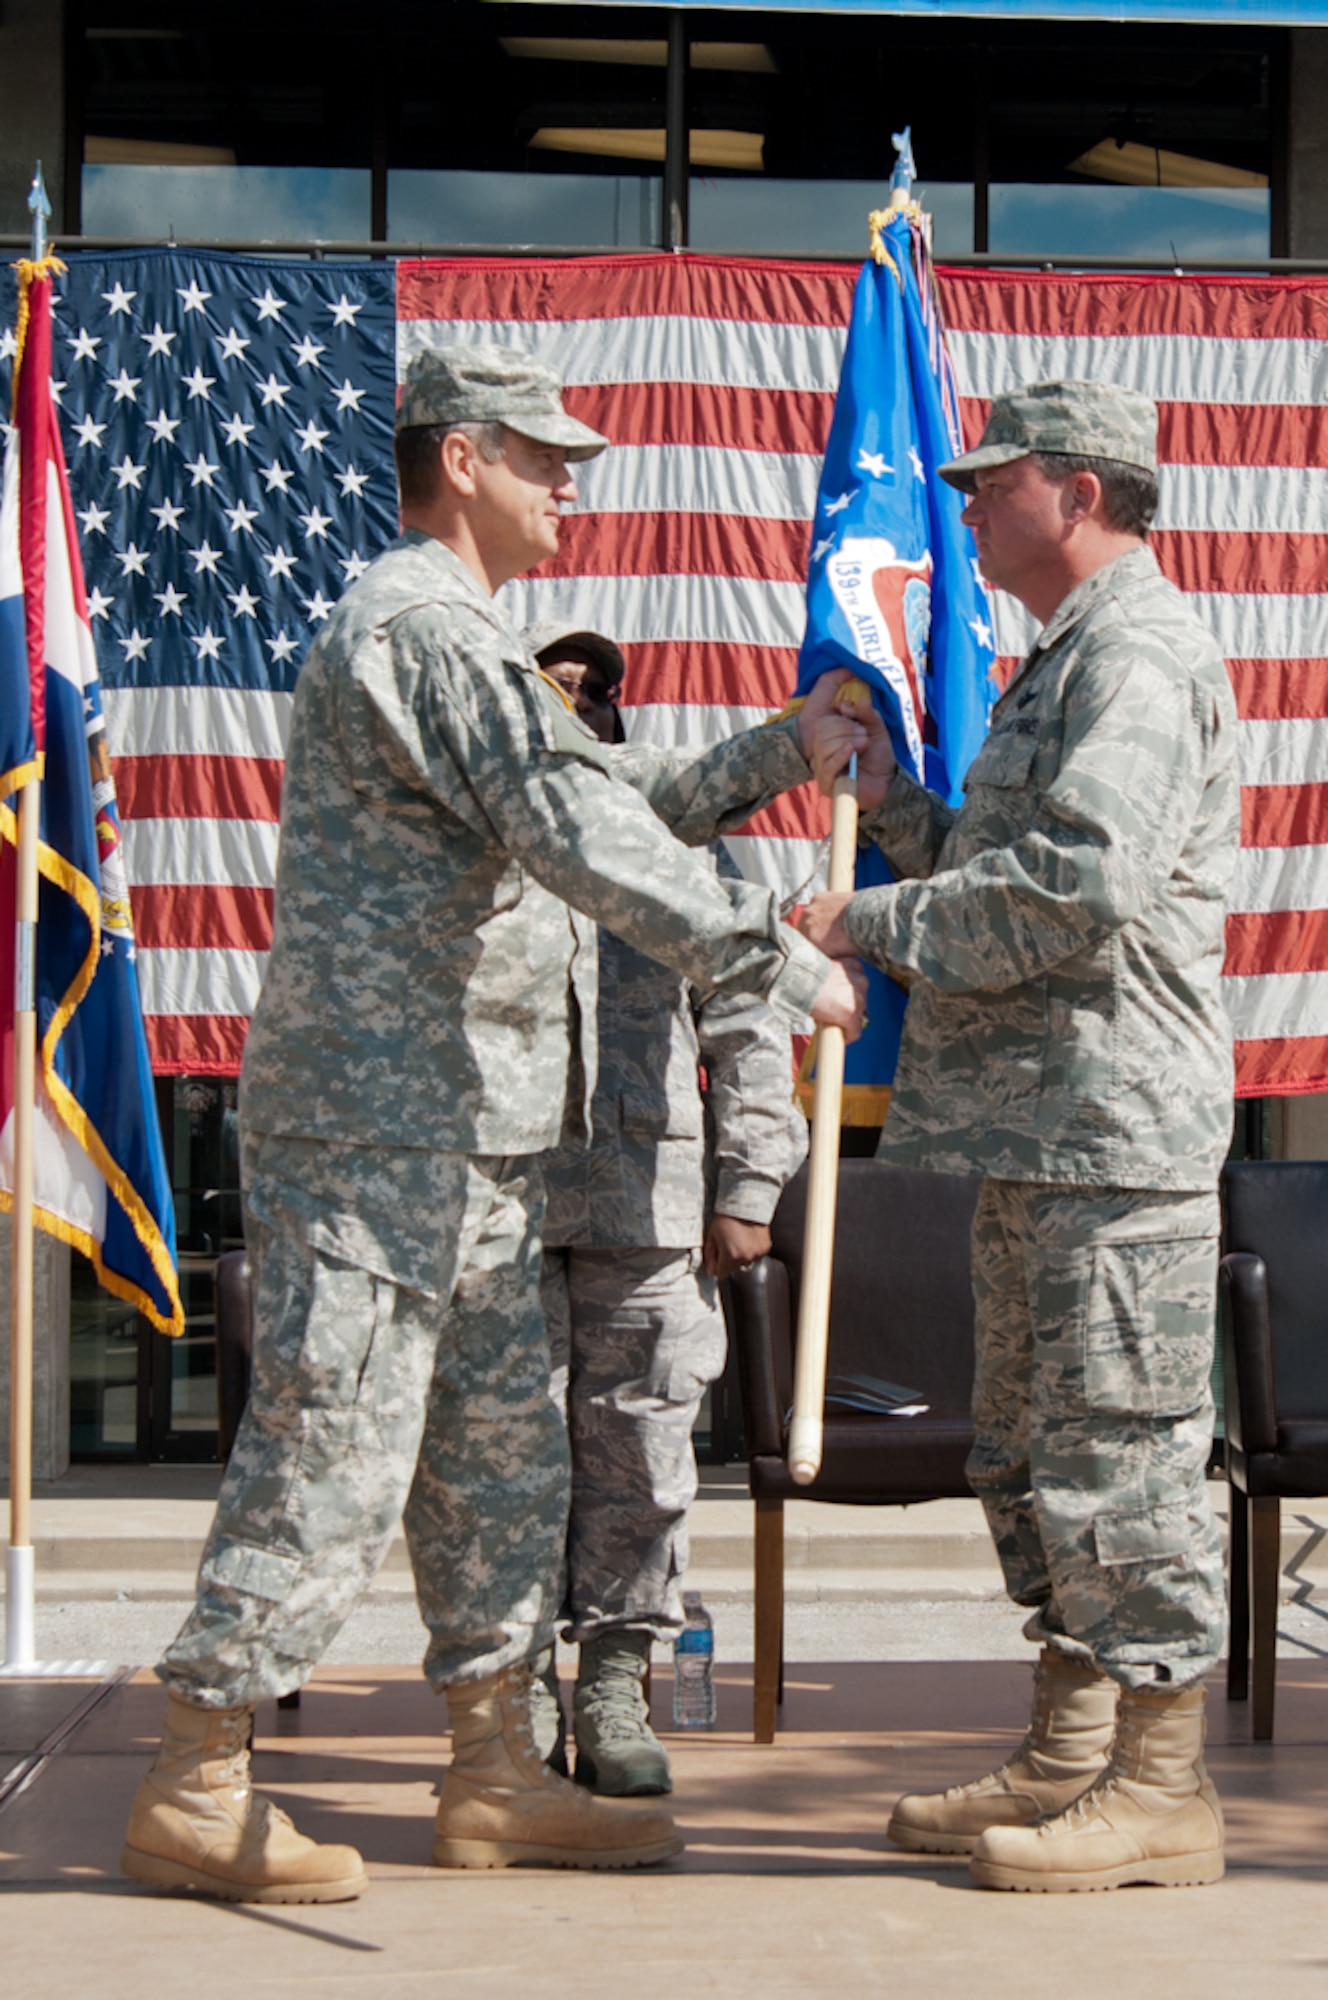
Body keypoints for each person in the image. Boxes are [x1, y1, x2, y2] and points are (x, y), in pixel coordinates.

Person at [119, 343, 864, 1905]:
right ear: (458, 457)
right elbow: (577, 823)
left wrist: (780, 748)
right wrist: (769, 958)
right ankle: (198, 1772)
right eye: (541, 457)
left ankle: (492, 1768)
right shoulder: (423, 626)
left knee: (497, 1466)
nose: (568, 484)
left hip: (475, 1141)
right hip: (383, 1138)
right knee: (333, 1451)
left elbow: (601, 778)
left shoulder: (478, 647)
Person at [799, 380, 1238, 1894]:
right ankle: (1072, 1750)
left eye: (994, 485)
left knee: (1122, 1459)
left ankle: (1164, 1787)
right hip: (1037, 1135)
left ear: (1078, 490)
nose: (969, 506)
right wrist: (888, 807)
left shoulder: (1142, 655)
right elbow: (1002, 865)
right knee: (1029, 1454)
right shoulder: (1066, 660)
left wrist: (860, 916)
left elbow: (1076, 890)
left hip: (1113, 1141)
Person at [529, 621, 807, 1796]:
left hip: (648, 1206)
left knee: (642, 1449)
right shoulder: (486, 844)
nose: (581, 697)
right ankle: (507, 1694)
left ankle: (614, 1680)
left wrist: (748, 1188)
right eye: (559, 683)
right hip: (504, 1207)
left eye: (600, 689)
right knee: (509, 1455)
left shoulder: (678, 852)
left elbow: (750, 1026)